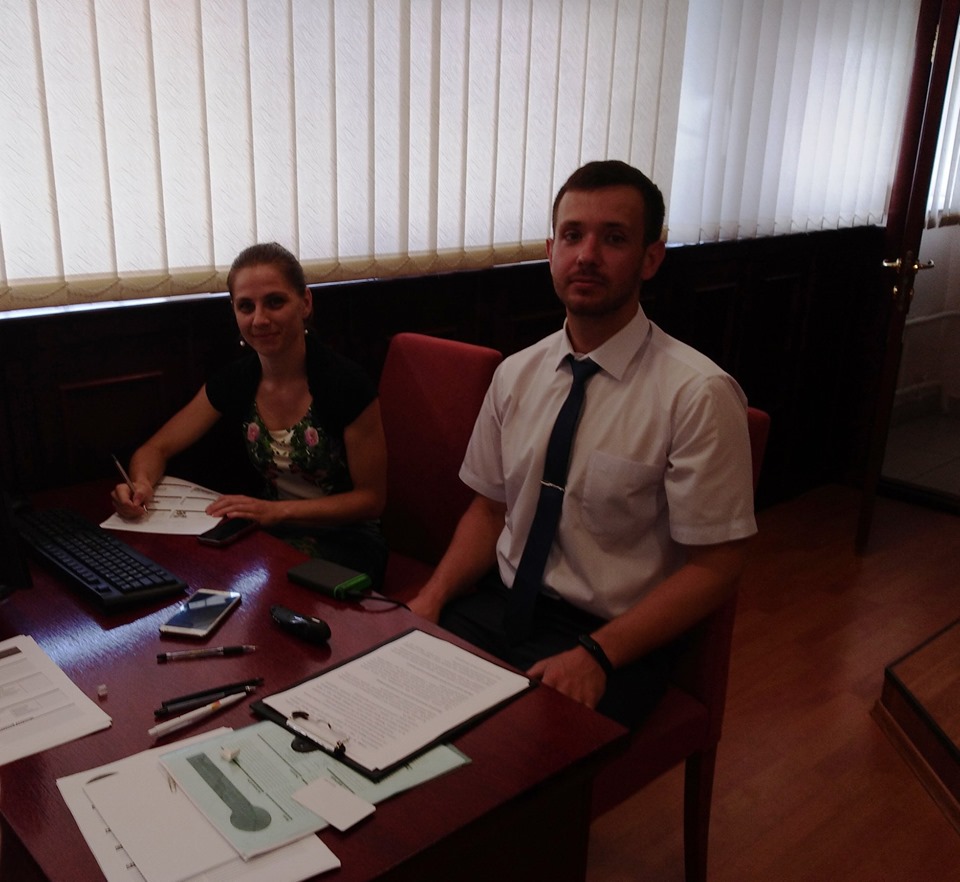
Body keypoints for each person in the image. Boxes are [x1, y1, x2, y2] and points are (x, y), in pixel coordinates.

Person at [408, 160, 757, 727]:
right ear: (551, 251)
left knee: (507, 757)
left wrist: (597, 654)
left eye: (614, 238)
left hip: (611, 638)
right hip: (499, 605)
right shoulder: (516, 375)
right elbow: (490, 509)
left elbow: (717, 566)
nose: (587, 256)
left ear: (651, 257)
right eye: (572, 236)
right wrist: (432, 597)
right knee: (383, 705)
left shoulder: (697, 394)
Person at [111, 242, 388, 583]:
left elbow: (371, 500)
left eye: (275, 302)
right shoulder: (237, 379)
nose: (259, 319)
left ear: (305, 303)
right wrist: (140, 485)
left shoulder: (347, 383)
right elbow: (156, 448)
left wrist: (277, 511)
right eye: (246, 306)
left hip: (348, 540)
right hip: (271, 531)